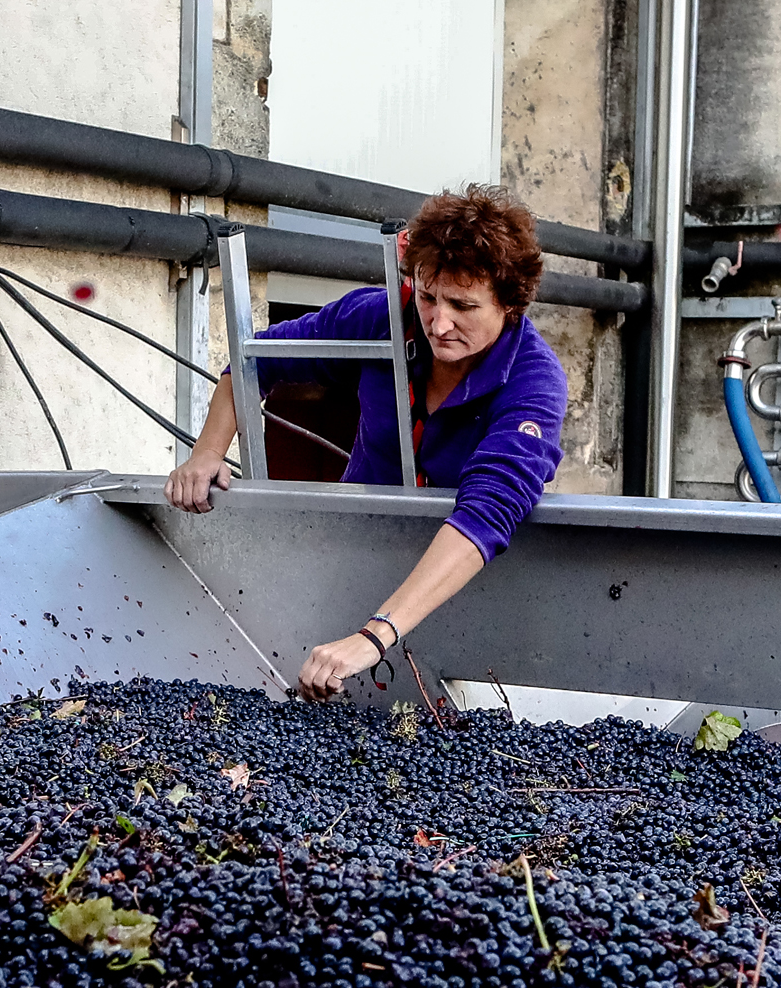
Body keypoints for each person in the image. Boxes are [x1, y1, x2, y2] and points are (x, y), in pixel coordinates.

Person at [165, 185, 568, 702]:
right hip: (353, 564)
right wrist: (206, 454)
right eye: (428, 297)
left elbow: (488, 513)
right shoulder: (382, 317)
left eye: (463, 306)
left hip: (460, 589)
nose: (439, 323)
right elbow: (255, 361)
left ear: (510, 304)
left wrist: (374, 637)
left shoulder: (534, 382)